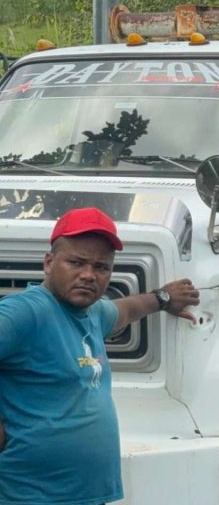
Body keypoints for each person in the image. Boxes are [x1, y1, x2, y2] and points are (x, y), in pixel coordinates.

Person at [0, 207, 201, 505]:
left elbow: (127, 309)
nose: (88, 275)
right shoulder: (27, 312)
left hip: (88, 494)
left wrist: (163, 298)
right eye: (76, 263)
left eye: (101, 267)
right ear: (49, 262)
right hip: (32, 495)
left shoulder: (92, 313)